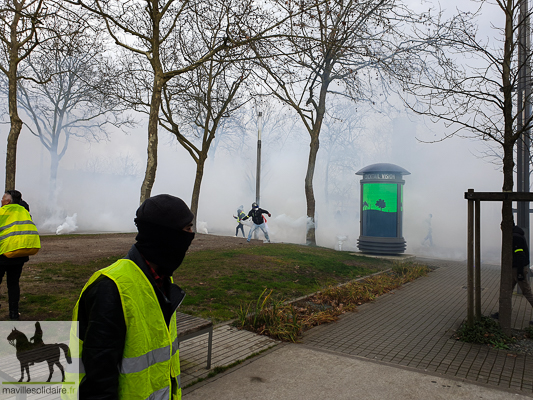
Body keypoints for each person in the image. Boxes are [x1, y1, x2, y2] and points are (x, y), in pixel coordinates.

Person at [68, 194, 195, 400]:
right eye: (187, 229)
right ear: (165, 236)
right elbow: (97, 385)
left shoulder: (161, 281)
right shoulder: (110, 289)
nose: (191, 237)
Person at [0, 190, 40, 320]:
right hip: (20, 254)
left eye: (3, 198)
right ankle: (13, 313)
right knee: (13, 284)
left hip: (3, 254)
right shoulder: (24, 212)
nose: (1, 201)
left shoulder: (2, 212)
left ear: (8, 201)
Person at [492, 223, 533, 321]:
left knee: (527, 292)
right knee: (507, 290)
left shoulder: (515, 237)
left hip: (517, 269)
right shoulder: (516, 234)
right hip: (515, 268)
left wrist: (519, 272)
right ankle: (503, 312)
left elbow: (520, 255)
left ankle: (503, 313)